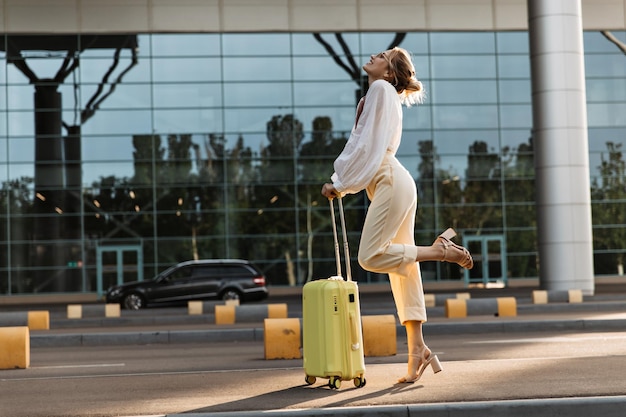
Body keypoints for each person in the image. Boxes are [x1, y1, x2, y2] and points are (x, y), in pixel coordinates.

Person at [321, 47, 473, 384]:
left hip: (390, 180)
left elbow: (365, 146)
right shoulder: (383, 92)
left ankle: (438, 251)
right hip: (395, 182)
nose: (375, 55)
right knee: (404, 269)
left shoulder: (379, 90)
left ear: (389, 73)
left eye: (384, 56)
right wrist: (345, 184)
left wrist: (339, 183)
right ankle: (417, 349)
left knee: (370, 255)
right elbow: (369, 146)